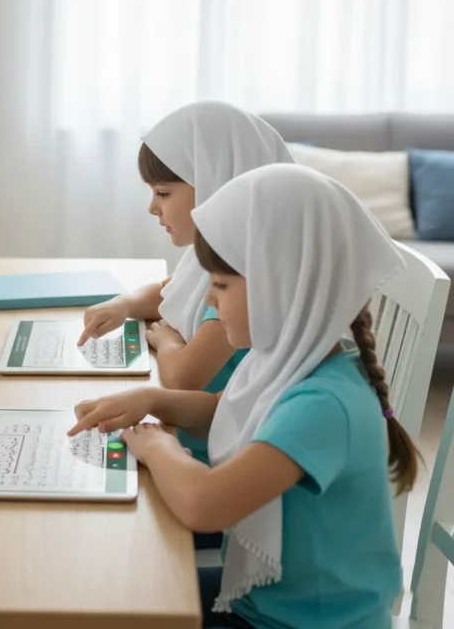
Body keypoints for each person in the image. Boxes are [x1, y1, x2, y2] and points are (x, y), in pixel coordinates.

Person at [69, 164, 416, 629]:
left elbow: (206, 505)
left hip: (295, 623)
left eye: (222, 285)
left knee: (113, 602)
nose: (208, 302)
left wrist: (158, 445)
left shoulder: (325, 404)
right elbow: (225, 411)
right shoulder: (291, 358)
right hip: (266, 604)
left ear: (283, 287)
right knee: (111, 591)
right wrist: (152, 400)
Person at [78, 101, 294, 467]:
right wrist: (125, 304)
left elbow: (184, 378)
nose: (152, 207)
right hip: (193, 428)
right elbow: (168, 289)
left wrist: (167, 340)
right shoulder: (214, 253)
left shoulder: (244, 273)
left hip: (213, 453)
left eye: (162, 193)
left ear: (217, 184)